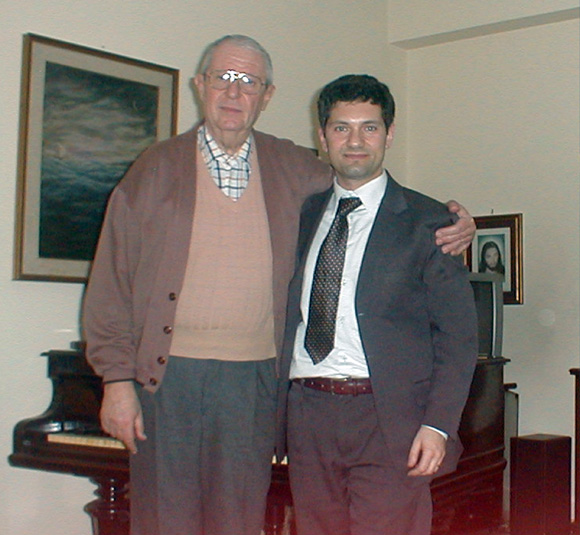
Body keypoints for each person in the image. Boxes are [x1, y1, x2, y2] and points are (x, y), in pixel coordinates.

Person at [83, 35, 475, 535]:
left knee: (241, 519)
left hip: (257, 381)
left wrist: (459, 221)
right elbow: (111, 282)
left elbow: (364, 182)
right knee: (165, 518)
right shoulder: (154, 169)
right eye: (222, 77)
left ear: (266, 96)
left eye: (248, 82)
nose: (233, 92)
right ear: (200, 85)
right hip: (169, 378)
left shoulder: (294, 168)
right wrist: (116, 381)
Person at [276, 74, 479, 535]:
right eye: (341, 127)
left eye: (369, 127)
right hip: (307, 414)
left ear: (389, 134)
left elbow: (459, 337)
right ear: (322, 136)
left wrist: (438, 425)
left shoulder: (430, 222)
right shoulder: (301, 215)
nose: (354, 141)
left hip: (391, 420)